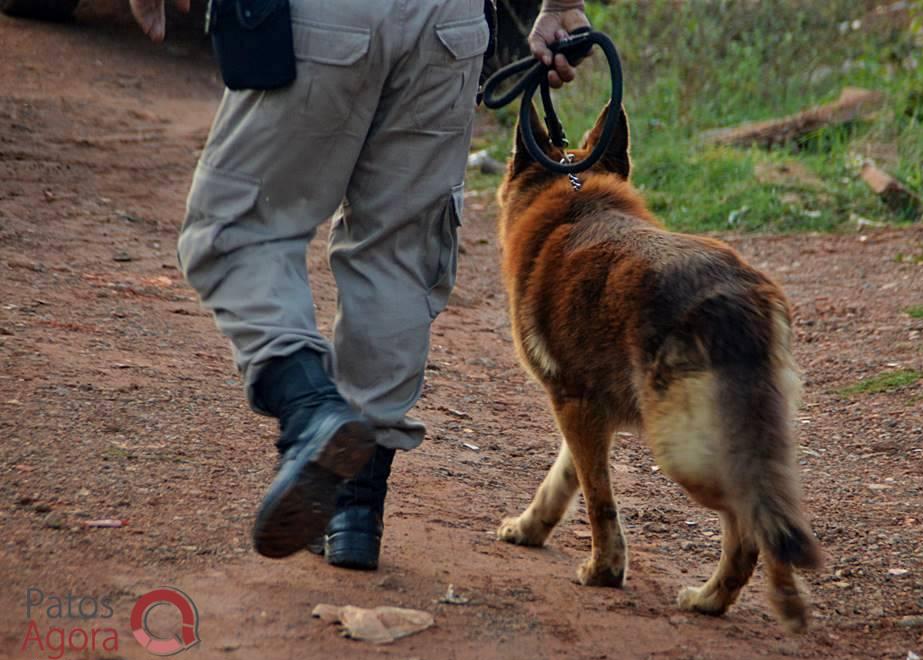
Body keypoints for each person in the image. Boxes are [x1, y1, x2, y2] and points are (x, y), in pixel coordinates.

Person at [128, 0, 589, 570]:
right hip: (449, 26)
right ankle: (354, 510)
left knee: (236, 229)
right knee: (396, 253)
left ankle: (308, 407)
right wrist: (562, 6)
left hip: (325, 18)